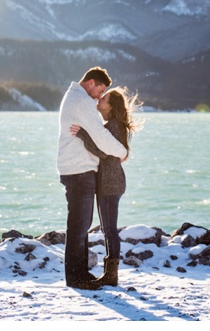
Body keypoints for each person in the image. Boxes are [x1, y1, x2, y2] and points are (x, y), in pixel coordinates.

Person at [57, 67, 129, 290]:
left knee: (81, 225)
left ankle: (81, 273)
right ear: (91, 83)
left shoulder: (77, 97)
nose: (100, 95)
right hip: (78, 170)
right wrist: (123, 152)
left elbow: (97, 136)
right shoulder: (83, 102)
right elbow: (100, 137)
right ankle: (76, 277)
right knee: (78, 226)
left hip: (78, 169)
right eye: (101, 90)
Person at [70, 85, 142, 287]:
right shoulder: (114, 124)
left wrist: (83, 134)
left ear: (111, 106)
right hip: (110, 183)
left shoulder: (113, 125)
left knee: (109, 230)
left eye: (104, 99)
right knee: (107, 228)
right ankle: (110, 273)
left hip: (111, 184)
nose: (99, 100)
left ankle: (111, 275)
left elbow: (102, 152)